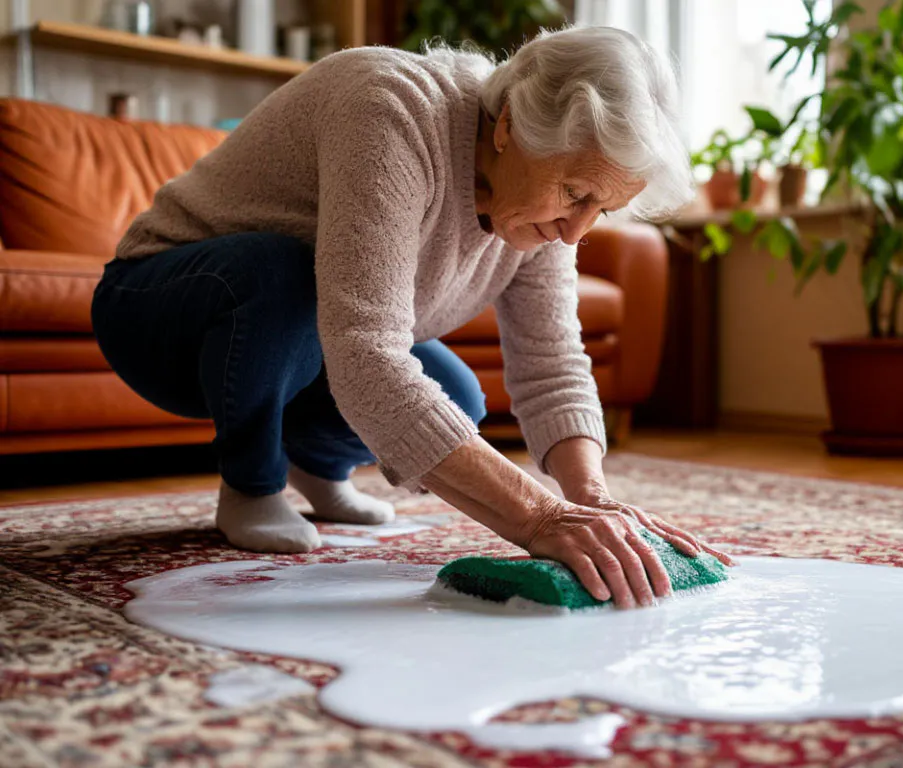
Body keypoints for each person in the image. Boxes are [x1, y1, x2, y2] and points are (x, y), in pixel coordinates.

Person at [91, 25, 733, 610]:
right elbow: (367, 352)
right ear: (509, 125)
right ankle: (252, 482)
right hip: (160, 311)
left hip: (298, 341)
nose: (576, 232)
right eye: (575, 195)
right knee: (284, 273)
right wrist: (537, 518)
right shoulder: (392, 108)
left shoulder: (535, 216)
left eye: (603, 209)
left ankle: (318, 465)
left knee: (456, 396)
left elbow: (552, 364)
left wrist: (589, 497)